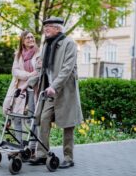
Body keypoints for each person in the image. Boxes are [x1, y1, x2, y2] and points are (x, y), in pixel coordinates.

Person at [29, 17, 83, 169]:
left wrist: (55, 85)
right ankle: (42, 154)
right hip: (50, 92)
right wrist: (32, 82)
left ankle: (68, 157)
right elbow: (42, 68)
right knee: (44, 118)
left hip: (65, 92)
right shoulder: (46, 44)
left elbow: (67, 68)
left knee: (68, 124)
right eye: (45, 27)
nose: (45, 30)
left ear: (58, 29)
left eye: (49, 27)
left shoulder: (69, 43)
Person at [2, 30, 39, 149]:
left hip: (33, 89)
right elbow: (15, 71)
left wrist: (28, 77)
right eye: (28, 38)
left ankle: (33, 147)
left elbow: (38, 72)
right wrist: (28, 75)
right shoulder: (18, 54)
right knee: (17, 116)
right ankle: (19, 144)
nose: (31, 39)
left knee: (32, 118)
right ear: (22, 41)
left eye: (32, 37)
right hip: (19, 89)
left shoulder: (39, 54)